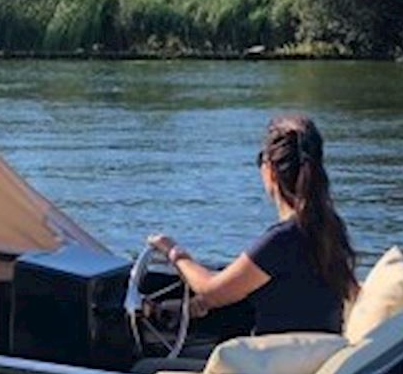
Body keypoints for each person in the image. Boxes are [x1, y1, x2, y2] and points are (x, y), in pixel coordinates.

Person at [148, 114, 358, 337]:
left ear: (270, 171)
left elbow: (210, 290)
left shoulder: (282, 240)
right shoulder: (330, 229)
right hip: (315, 350)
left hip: (273, 356)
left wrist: (174, 252)